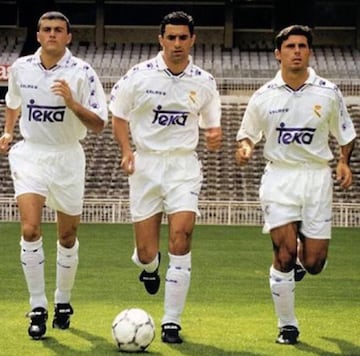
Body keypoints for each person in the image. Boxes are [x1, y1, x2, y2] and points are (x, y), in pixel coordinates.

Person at [235, 24, 356, 345]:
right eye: (290, 46)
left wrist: (344, 161)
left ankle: (305, 259)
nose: (297, 51)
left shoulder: (328, 92)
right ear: (278, 53)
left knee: (313, 263)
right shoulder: (263, 96)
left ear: (310, 52)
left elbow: (346, 134)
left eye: (303, 45)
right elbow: (247, 134)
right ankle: (287, 324)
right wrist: (246, 148)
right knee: (284, 255)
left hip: (316, 178)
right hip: (279, 177)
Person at [109, 11, 222, 344]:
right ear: (161, 40)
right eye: (170, 37)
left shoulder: (204, 81)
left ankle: (171, 321)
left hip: (183, 166)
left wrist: (214, 135)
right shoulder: (138, 75)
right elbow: (117, 115)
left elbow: (211, 124)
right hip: (145, 166)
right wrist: (126, 151)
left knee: (181, 238)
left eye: (182, 37)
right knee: (146, 251)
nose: (176, 44)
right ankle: (148, 268)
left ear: (192, 40)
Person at [0, 11, 108, 340]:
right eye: (46, 29)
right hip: (31, 154)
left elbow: (99, 124)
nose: (52, 34)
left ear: (68, 37)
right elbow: (13, 101)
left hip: (67, 157)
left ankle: (63, 300)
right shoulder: (21, 68)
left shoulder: (83, 72)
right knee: (30, 230)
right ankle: (37, 306)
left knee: (67, 237)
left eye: (58, 30)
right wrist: (7, 132)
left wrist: (72, 103)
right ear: (38, 35)